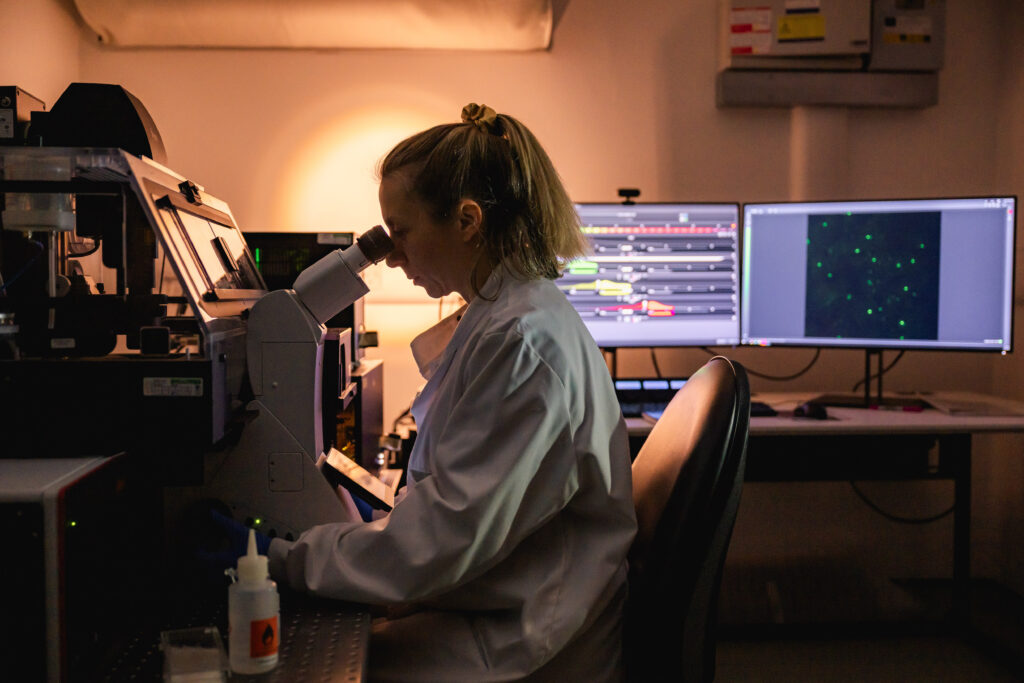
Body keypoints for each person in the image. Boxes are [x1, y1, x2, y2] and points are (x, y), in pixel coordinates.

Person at [266, 103, 637, 681]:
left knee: (313, 668)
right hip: (500, 599)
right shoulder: (503, 317)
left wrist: (280, 559)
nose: (392, 256)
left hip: (529, 639)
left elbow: (441, 540)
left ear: (466, 221)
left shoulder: (522, 342)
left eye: (401, 232)